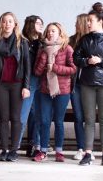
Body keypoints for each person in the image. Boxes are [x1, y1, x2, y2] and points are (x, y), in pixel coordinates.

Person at [73, 8, 103, 166]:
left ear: (100, 22)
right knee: (88, 119)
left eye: (91, 20)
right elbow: (76, 58)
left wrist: (101, 61)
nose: (88, 23)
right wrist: (87, 61)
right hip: (87, 83)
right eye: (87, 20)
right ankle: (87, 153)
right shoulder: (85, 39)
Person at [0, 11, 31, 162]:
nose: (7, 24)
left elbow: (27, 66)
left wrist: (26, 86)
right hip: (0, 85)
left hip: (17, 85)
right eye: (4, 21)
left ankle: (14, 150)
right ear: (1, 24)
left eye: (10, 21)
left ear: (15, 24)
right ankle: (4, 149)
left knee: (16, 118)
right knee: (3, 118)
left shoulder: (22, 42)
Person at [32, 22, 75, 162]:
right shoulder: (42, 49)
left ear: (60, 33)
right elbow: (37, 72)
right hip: (45, 90)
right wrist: (44, 57)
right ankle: (43, 151)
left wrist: (55, 67)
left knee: (58, 121)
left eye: (53, 31)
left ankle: (59, 152)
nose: (50, 33)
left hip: (62, 91)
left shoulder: (67, 48)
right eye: (48, 31)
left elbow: (73, 69)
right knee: (44, 121)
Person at [19, 15, 44, 156]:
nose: (41, 25)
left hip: (41, 80)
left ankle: (36, 146)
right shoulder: (23, 42)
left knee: (37, 114)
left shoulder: (42, 41)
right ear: (30, 24)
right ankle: (15, 146)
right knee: (24, 114)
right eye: (38, 23)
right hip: (28, 81)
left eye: (42, 23)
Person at [68, 12, 90, 159]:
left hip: (89, 84)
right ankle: (80, 148)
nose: (75, 25)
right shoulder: (71, 40)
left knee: (89, 118)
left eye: (77, 22)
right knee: (78, 116)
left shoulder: (92, 40)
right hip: (75, 84)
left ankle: (89, 149)